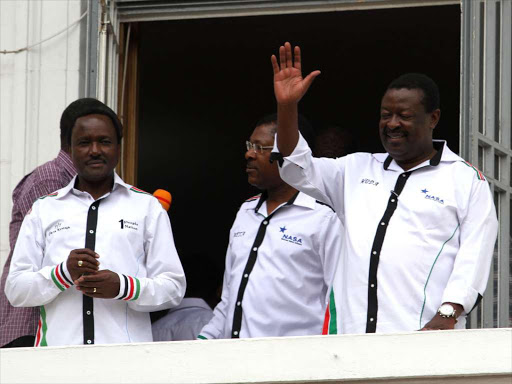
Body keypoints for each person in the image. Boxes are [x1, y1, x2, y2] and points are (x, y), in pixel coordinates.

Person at [270, 42, 498, 334]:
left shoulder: (465, 180)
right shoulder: (354, 169)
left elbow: (474, 254)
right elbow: (294, 165)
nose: (392, 124)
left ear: (434, 118)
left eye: (403, 115)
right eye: (385, 115)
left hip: (423, 339)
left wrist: (449, 313)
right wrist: (287, 106)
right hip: (346, 342)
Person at [5, 98, 186, 346]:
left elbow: (173, 287)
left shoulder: (147, 207)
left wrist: (123, 287)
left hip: (126, 363)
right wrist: (62, 273)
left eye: (104, 141)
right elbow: (16, 290)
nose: (95, 150)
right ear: (70, 149)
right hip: (57, 364)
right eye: (84, 143)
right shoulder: (44, 208)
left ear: (118, 148)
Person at [198, 114, 343, 339]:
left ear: (291, 153)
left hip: (292, 365)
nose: (248, 154)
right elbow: (228, 300)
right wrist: (203, 342)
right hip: (235, 363)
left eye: (260, 148)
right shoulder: (245, 212)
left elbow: (338, 305)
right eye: (249, 146)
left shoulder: (324, 218)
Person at [0, 101, 81, 348]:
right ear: (72, 139)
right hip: (31, 321)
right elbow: (56, 252)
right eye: (90, 139)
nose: (98, 150)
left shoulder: (71, 180)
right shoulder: (53, 180)